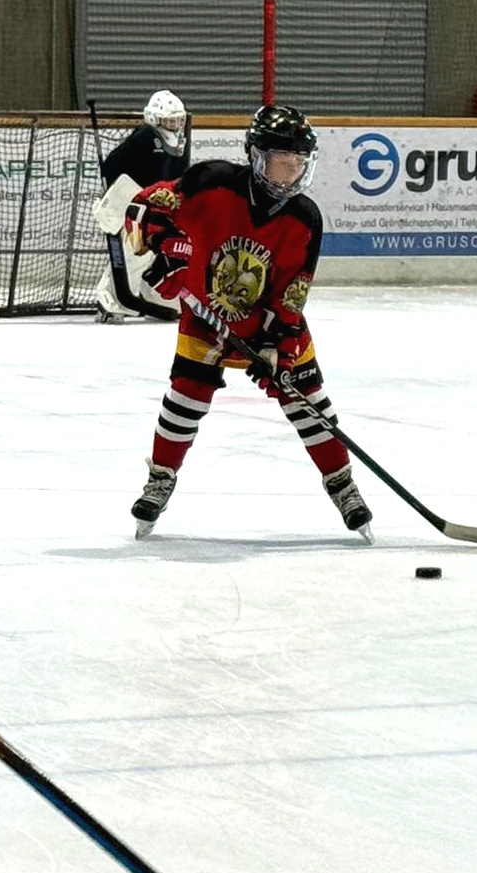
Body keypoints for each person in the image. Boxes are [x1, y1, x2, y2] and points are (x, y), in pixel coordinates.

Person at [123, 104, 371, 542]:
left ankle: (342, 484)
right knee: (186, 397)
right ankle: (160, 478)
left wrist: (279, 346)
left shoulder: (305, 219)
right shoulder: (210, 182)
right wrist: (169, 252)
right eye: (280, 163)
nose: (288, 175)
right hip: (204, 316)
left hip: (267, 324)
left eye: (297, 165)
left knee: (308, 401)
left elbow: (292, 296)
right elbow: (143, 209)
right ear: (255, 156)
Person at [93, 90, 191, 323]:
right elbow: (111, 167)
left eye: (178, 120)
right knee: (135, 251)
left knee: (164, 247)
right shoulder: (144, 137)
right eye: (169, 121)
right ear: (154, 119)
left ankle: (157, 295)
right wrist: (121, 200)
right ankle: (110, 299)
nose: (175, 125)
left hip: (155, 207)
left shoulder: (180, 143)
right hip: (130, 204)